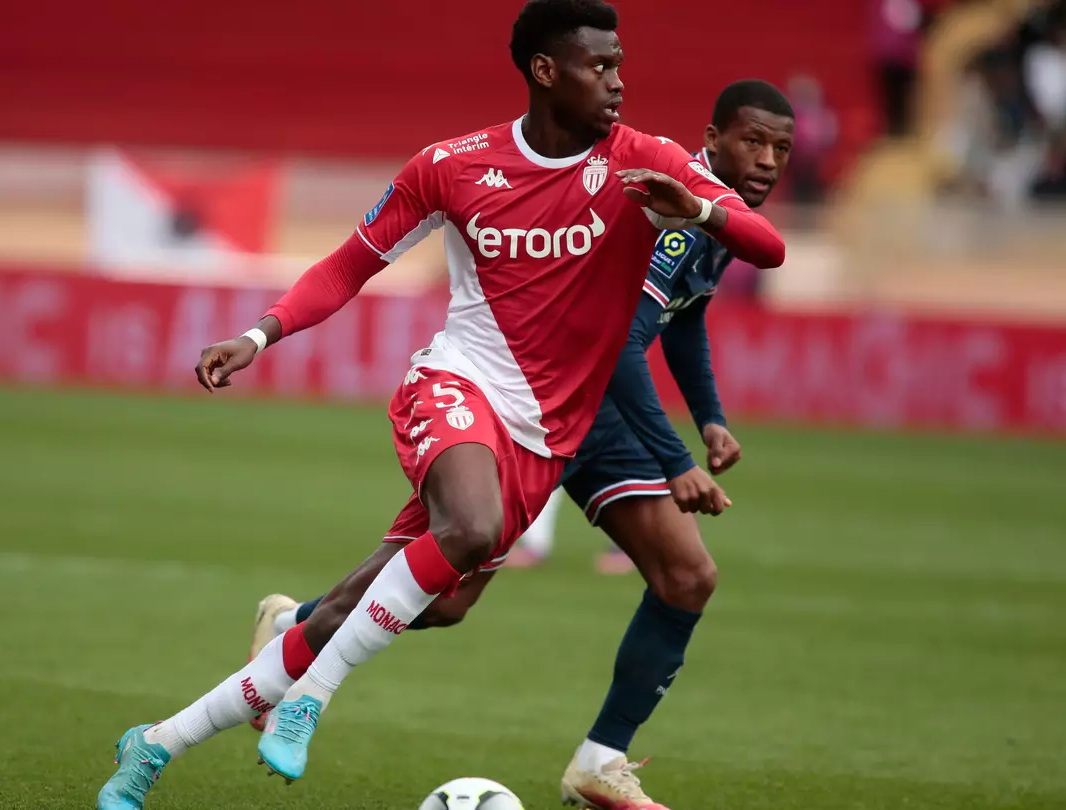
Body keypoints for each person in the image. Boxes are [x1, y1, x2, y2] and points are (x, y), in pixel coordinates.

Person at [96, 1, 785, 805]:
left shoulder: (646, 163)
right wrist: (260, 334)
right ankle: (310, 701)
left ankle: (155, 743)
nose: (618, 82)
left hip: (545, 436)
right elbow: (349, 264)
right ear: (544, 70)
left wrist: (696, 207)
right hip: (458, 384)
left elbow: (763, 246)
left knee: (406, 603)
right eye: (600, 65)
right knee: (471, 527)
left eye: (620, 64)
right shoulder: (453, 165)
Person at [259, 79, 796, 810]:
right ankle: (294, 629)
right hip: (560, 400)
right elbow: (627, 344)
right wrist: (675, 463)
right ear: (713, 137)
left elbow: (686, 317)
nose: (766, 160)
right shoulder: (674, 214)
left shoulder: (711, 214)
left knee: (686, 577)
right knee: (447, 597)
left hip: (601, 409)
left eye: (781, 150)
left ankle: (599, 761)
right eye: (753, 142)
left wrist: (708, 416)